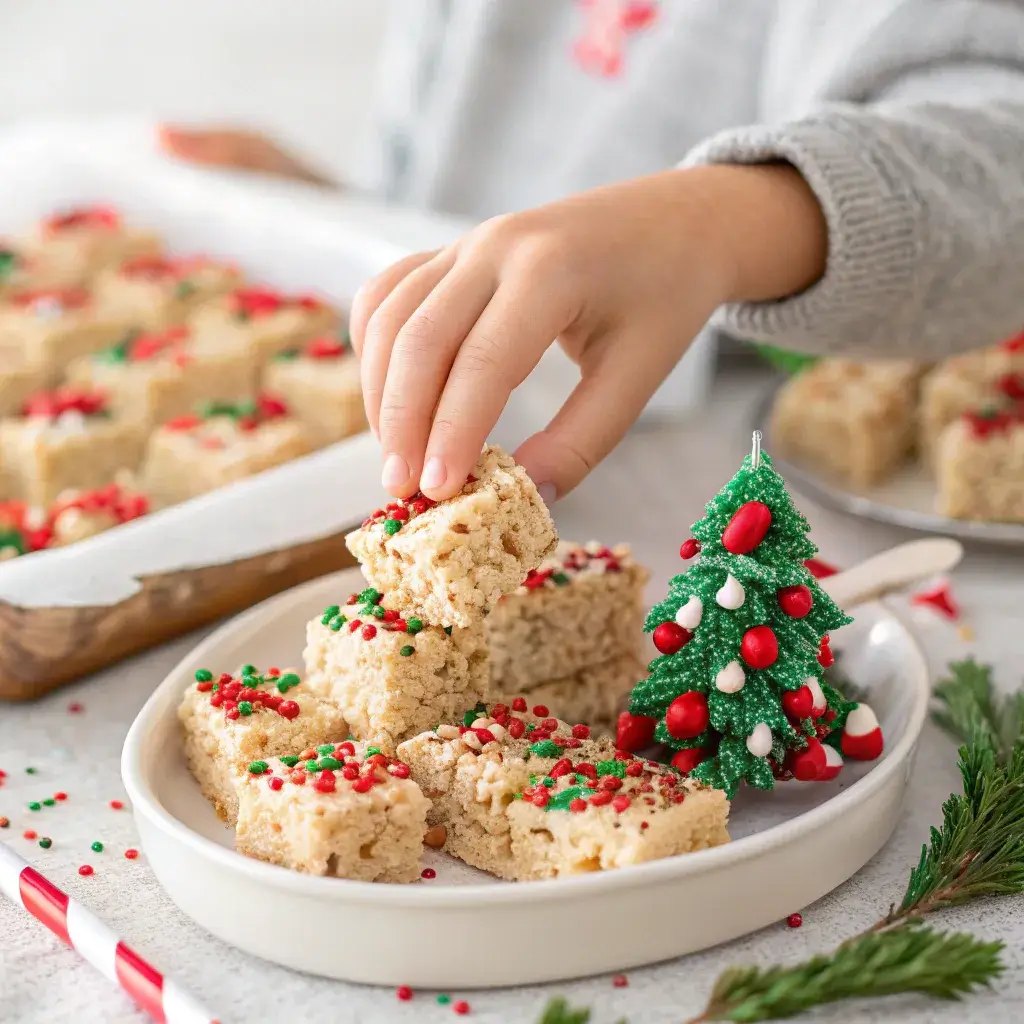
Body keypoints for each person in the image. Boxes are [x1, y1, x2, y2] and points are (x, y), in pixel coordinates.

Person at [160, 0, 1024, 507]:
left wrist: (714, 224)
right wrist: (323, 205)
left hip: (719, 494)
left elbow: (996, 164)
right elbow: (442, 204)